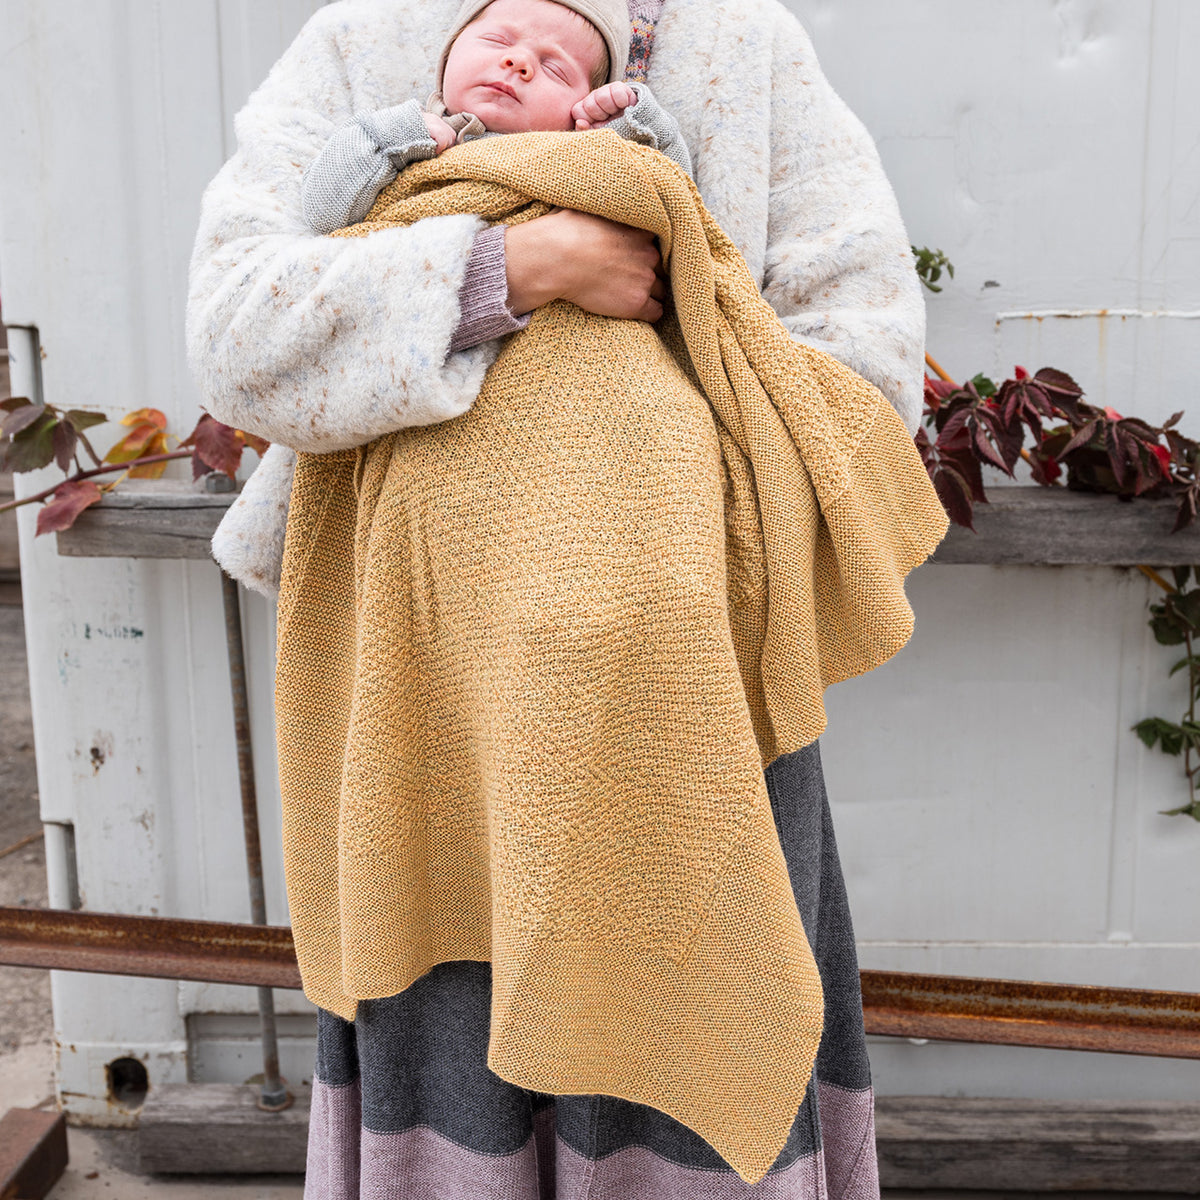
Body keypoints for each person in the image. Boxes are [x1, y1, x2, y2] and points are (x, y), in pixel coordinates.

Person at [186, 1, 926, 1195]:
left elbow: (864, 354)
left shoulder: (748, 50)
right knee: (453, 1027)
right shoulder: (359, 47)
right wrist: (518, 267)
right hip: (427, 683)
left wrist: (669, 333)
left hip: (688, 668)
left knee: (692, 987)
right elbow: (237, 335)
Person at [301, 0, 692, 239]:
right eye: (497, 42)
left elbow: (676, 204)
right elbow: (324, 211)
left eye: (555, 69)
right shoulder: (404, 137)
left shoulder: (585, 153)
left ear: (584, 105)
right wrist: (397, 135)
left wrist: (640, 124)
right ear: (450, 51)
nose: (518, 62)